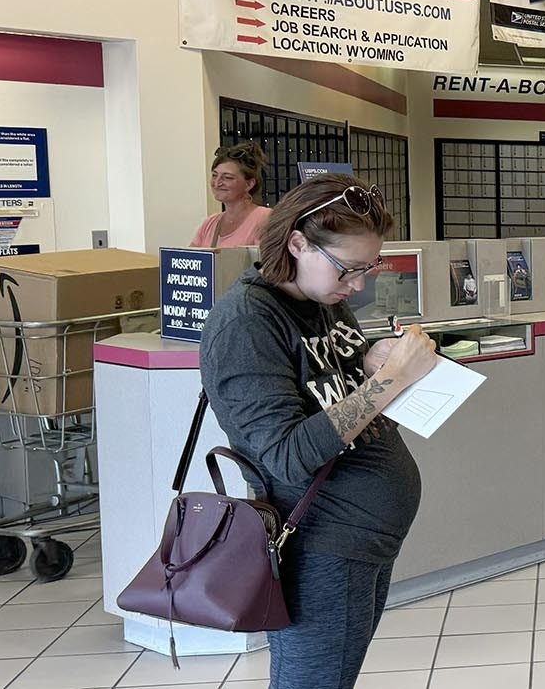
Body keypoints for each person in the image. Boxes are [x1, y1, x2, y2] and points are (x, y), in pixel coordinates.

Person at [199, 175, 439, 689]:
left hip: (364, 540)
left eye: (369, 268)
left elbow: (339, 395)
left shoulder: (321, 297)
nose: (358, 285)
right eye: (350, 270)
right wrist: (393, 380)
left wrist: (374, 364)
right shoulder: (245, 323)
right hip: (320, 544)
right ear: (297, 243)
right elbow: (285, 453)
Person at [191, 141, 272, 248]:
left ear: (249, 184)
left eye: (227, 177)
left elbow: (269, 262)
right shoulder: (209, 224)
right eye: (215, 175)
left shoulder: (265, 218)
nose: (217, 183)